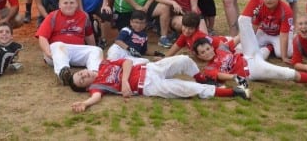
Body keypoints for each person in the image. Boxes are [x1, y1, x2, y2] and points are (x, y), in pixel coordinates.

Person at [69, 55, 250, 113]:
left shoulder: (104, 64)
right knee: (188, 89)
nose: (83, 75)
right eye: (82, 80)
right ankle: (235, 92)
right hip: (148, 87)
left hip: (151, 69)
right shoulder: (97, 86)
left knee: (184, 60)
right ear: (86, 86)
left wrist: (124, 82)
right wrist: (84, 104)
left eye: (80, 74)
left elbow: (128, 63)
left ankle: (204, 78)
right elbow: (95, 97)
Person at [193, 28, 307, 92]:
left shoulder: (221, 48)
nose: (206, 52)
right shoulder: (208, 68)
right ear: (199, 56)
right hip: (252, 70)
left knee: (244, 23)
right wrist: (235, 78)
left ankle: (269, 46)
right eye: (202, 52)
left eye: (207, 49)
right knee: (288, 74)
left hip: (249, 56)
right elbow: (219, 76)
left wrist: (249, 31)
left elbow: (238, 39)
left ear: (212, 47)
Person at [36, 0, 103, 85]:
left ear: (77, 4)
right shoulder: (52, 16)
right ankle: (64, 73)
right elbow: (42, 37)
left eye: (72, 3)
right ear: (59, 5)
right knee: (58, 45)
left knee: (97, 50)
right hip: (57, 52)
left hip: (76, 51)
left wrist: (93, 48)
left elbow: (89, 36)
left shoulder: (84, 16)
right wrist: (48, 53)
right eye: (65, 3)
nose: (69, 5)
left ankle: (94, 74)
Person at [241, 0, 294, 64]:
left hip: (279, 34)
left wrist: (284, 57)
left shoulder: (286, 11)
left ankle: (292, 39)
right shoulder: (260, 5)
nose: (268, 0)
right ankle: (270, 47)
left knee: (283, 53)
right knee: (249, 47)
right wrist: (249, 41)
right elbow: (254, 27)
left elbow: (283, 36)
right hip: (264, 31)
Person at [164, 12, 236, 58]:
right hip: (219, 41)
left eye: (190, 28)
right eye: (185, 27)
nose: (186, 30)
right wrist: (164, 58)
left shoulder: (198, 37)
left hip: (226, 43)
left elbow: (221, 45)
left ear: (196, 28)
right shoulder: (185, 35)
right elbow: (176, 46)